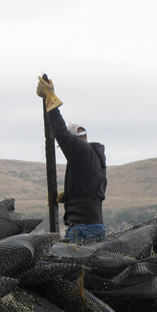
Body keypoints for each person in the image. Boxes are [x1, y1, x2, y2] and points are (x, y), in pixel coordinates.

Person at [36, 76, 107, 244]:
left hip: (83, 230)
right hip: (91, 227)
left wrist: (50, 98)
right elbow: (89, 192)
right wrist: (67, 197)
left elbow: (60, 131)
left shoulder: (82, 152)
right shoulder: (93, 158)